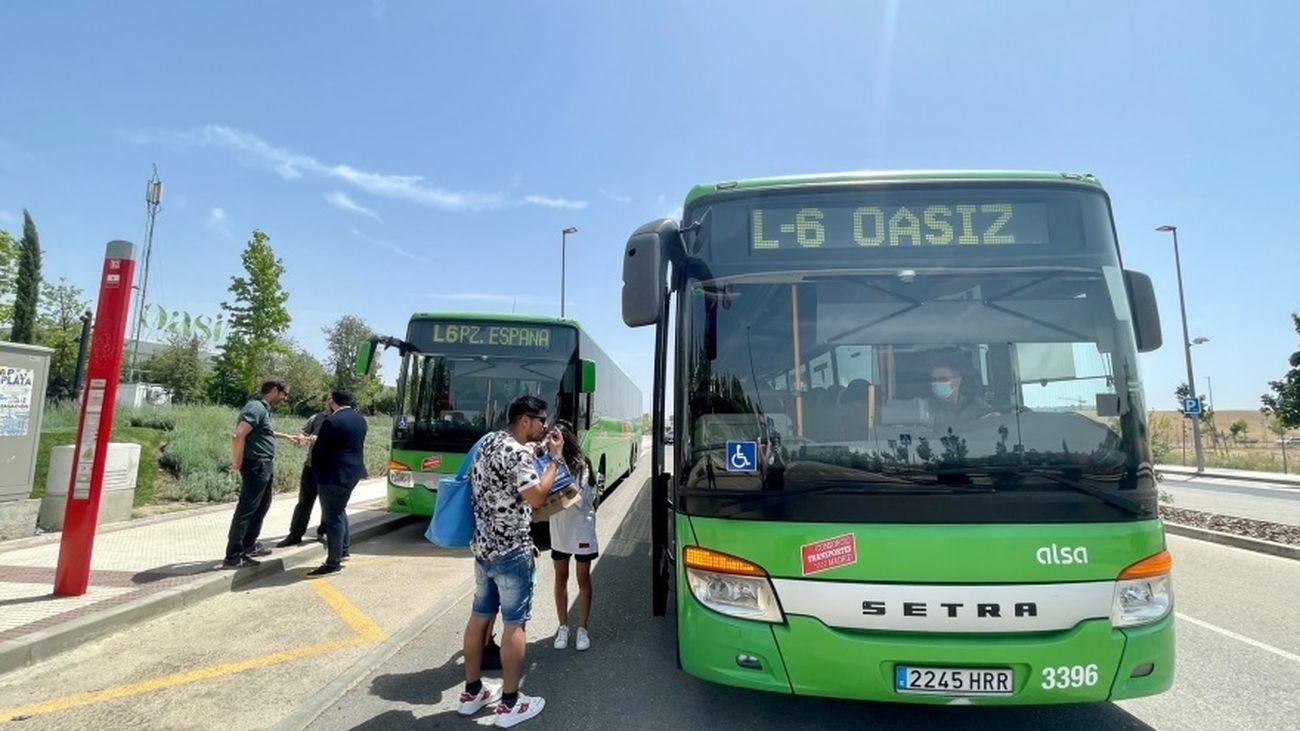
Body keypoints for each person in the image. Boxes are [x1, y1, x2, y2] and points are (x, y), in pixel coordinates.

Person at [457, 395, 562, 728]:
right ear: (524, 420)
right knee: (515, 623)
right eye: (541, 420)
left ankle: (472, 692)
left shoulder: (489, 443)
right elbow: (536, 496)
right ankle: (510, 702)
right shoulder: (516, 453)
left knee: (479, 617)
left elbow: (516, 462)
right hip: (512, 551)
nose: (544, 425)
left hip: (483, 547)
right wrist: (556, 461)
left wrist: (542, 449)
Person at [223, 379, 297, 569]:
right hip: (255, 465)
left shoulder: (263, 409)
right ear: (274, 390)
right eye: (284, 394)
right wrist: (237, 461)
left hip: (263, 464)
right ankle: (233, 555)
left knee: (262, 505)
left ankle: (249, 544)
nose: (285, 398)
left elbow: (265, 431)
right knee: (247, 508)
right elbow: (238, 435)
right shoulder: (256, 408)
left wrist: (287, 437)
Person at [306, 390, 369, 577]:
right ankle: (343, 550)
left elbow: (320, 451)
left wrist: (316, 473)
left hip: (333, 475)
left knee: (332, 516)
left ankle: (333, 562)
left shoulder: (332, 421)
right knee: (340, 511)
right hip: (353, 473)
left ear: (332, 401)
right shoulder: (360, 419)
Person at [548, 426, 597, 652]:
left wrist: (559, 466)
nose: (551, 444)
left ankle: (582, 628)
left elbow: (577, 497)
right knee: (560, 578)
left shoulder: (582, 465)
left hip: (581, 529)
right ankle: (563, 626)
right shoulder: (549, 464)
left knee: (583, 579)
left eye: (554, 440)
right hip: (559, 529)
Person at [276, 402, 328, 547]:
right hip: (311, 466)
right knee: (304, 502)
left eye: (332, 399)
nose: (329, 402)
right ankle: (295, 534)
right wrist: (300, 438)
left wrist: (318, 439)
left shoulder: (339, 419)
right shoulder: (316, 418)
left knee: (328, 504)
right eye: (327, 399)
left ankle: (324, 531)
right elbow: (304, 433)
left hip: (329, 469)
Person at [927, 354, 992, 432]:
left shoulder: (976, 404)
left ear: (958, 381)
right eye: (934, 380)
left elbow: (994, 422)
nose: (937, 383)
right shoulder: (925, 408)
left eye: (943, 379)